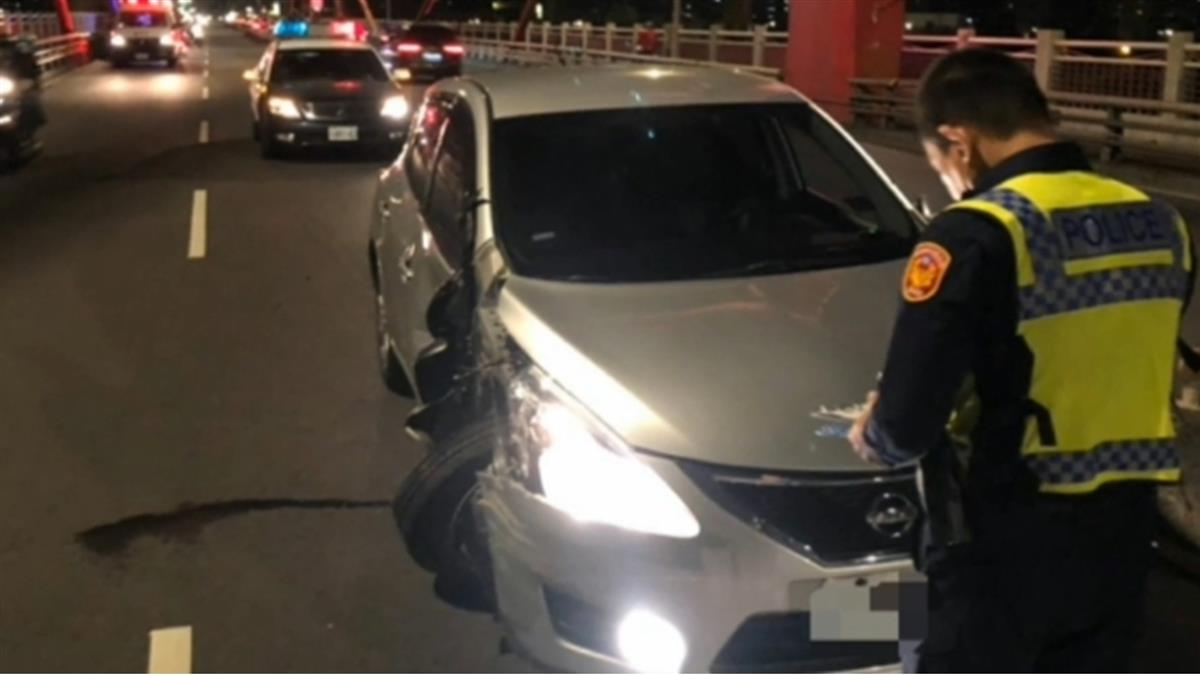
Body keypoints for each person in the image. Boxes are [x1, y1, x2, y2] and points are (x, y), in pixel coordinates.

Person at [848, 48, 1195, 672]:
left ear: (960, 143)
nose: (951, 183)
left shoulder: (978, 232)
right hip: (1125, 535)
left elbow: (906, 423)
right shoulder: (1161, 223)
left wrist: (873, 432)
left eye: (942, 167)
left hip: (1006, 537)